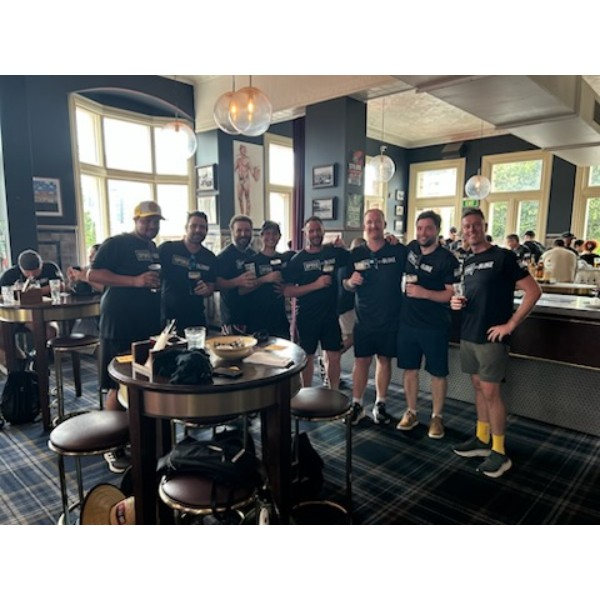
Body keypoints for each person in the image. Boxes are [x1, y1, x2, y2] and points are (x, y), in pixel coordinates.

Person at [450, 207, 541, 478]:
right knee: (478, 388)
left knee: (491, 393)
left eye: (475, 225)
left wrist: (510, 325)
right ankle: (482, 438)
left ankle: (499, 452)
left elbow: (533, 291)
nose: (471, 230)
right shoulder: (467, 261)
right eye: (467, 226)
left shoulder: (504, 257)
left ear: (485, 227)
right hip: (469, 333)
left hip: (491, 337)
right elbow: (469, 295)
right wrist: (456, 303)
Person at [88, 200, 163, 474]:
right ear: (135, 220)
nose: (152, 225)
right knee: (116, 382)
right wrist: (135, 281)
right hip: (119, 322)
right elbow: (93, 274)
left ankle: (137, 436)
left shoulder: (152, 247)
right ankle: (112, 445)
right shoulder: (116, 243)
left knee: (141, 378)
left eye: (156, 221)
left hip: (145, 323)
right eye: (147, 220)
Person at [396, 210, 460, 439]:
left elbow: (451, 293)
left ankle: (436, 417)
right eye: (420, 228)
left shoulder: (448, 259)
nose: (423, 233)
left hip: (435, 325)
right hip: (408, 322)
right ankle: (411, 412)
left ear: (437, 231)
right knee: (409, 369)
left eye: (428, 228)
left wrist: (424, 293)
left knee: (437, 373)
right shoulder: (411, 248)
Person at [343, 209, 406, 425]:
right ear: (364, 226)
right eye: (369, 222)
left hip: (390, 317)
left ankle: (380, 403)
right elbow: (345, 284)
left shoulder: (397, 251)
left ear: (384, 224)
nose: (373, 226)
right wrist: (350, 282)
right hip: (364, 318)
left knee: (384, 360)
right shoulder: (356, 253)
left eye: (377, 222)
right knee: (361, 361)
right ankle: (357, 404)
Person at [284, 216, 348, 389]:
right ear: (305, 233)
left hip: (330, 316)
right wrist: (316, 285)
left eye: (318, 230)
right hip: (307, 316)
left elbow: (353, 257)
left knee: (334, 356)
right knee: (307, 357)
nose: (315, 234)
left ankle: (333, 392)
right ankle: (306, 394)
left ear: (323, 231)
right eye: (311, 231)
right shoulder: (298, 260)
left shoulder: (333, 253)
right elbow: (287, 291)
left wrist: (343, 246)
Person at [158, 211, 217, 336]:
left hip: (196, 318)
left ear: (206, 230)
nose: (198, 230)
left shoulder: (210, 257)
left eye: (202, 227)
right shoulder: (168, 249)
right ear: (186, 228)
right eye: (193, 226)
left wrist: (206, 290)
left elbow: (211, 287)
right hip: (169, 317)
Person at [0, 249, 65, 354]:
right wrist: (16, 294)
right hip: (16, 316)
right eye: (27, 273)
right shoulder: (9, 275)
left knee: (50, 331)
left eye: (36, 272)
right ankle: (20, 358)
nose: (31, 275)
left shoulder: (50, 268)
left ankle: (41, 358)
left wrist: (35, 292)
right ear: (20, 268)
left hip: (45, 314)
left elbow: (61, 286)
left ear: (41, 264)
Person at [239, 220, 292, 339]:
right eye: (267, 233)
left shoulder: (285, 259)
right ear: (261, 236)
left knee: (284, 349)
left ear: (279, 236)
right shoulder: (252, 261)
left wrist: (287, 289)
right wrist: (264, 279)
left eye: (274, 234)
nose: (271, 237)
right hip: (258, 318)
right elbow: (242, 290)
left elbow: (293, 281)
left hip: (279, 317)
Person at [215, 215, 257, 335]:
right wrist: (237, 281)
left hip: (253, 315)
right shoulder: (223, 257)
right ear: (232, 232)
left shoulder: (254, 255)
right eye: (239, 230)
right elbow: (216, 285)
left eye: (247, 230)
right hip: (232, 318)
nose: (243, 234)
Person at [234, 144, 261, 216]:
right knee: (239, 197)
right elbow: (233, 168)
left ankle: (247, 214)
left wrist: (255, 175)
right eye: (243, 150)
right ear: (240, 150)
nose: (244, 151)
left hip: (246, 180)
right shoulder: (238, 160)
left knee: (247, 197)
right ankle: (241, 214)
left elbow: (251, 170)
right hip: (240, 179)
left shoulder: (248, 160)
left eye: (245, 150)